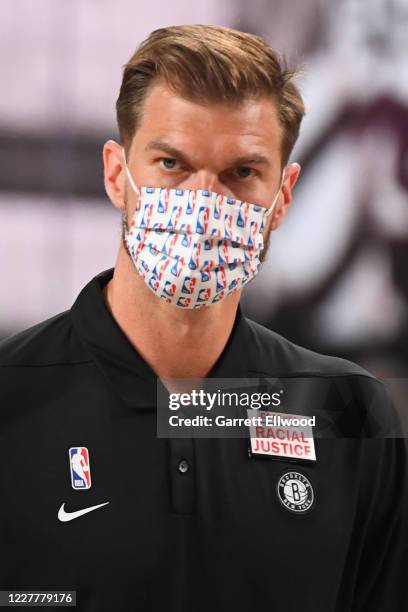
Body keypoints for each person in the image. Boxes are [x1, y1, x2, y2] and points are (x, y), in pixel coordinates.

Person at [0, 24, 406, 612]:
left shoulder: (350, 413)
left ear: (283, 196)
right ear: (118, 174)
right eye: (171, 163)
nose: (204, 205)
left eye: (241, 173)